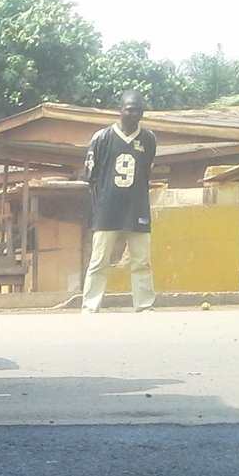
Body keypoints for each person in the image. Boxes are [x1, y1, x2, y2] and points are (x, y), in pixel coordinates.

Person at [81, 90, 158, 313]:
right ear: (120, 110)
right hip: (107, 208)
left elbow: (148, 170)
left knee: (142, 260)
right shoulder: (102, 138)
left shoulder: (149, 139)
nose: (133, 114)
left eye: (138, 110)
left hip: (137, 207)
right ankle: (90, 305)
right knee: (99, 259)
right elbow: (91, 175)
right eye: (129, 109)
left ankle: (144, 304)